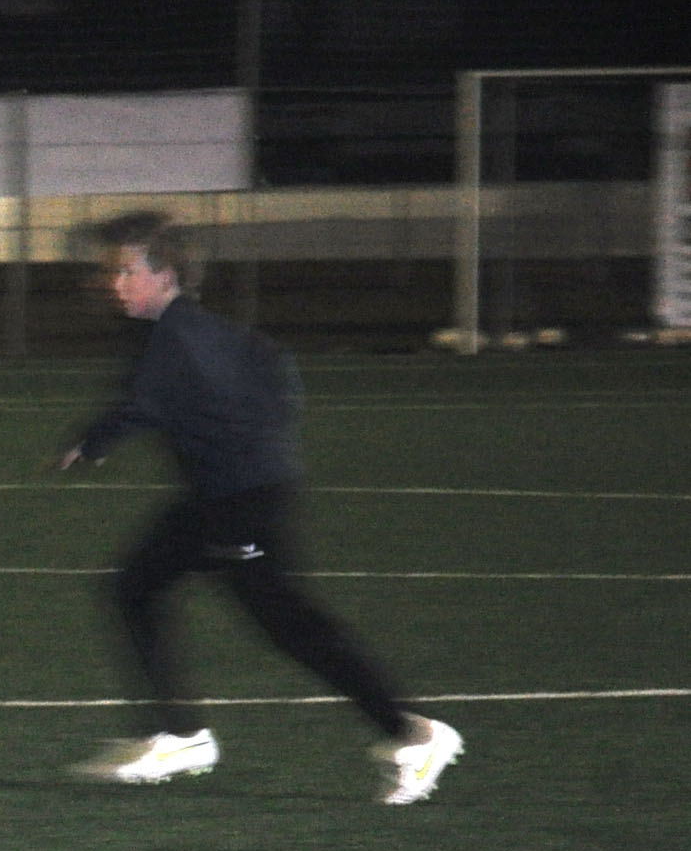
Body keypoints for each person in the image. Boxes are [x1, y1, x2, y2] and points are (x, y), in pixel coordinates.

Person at [59, 211, 462, 806]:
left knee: (292, 628)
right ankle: (180, 735)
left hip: (242, 504)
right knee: (134, 585)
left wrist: (93, 444)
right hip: (220, 497)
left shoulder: (177, 340)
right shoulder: (184, 330)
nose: (115, 285)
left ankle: (415, 733)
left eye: (127, 272)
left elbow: (144, 405)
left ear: (165, 276)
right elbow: (274, 369)